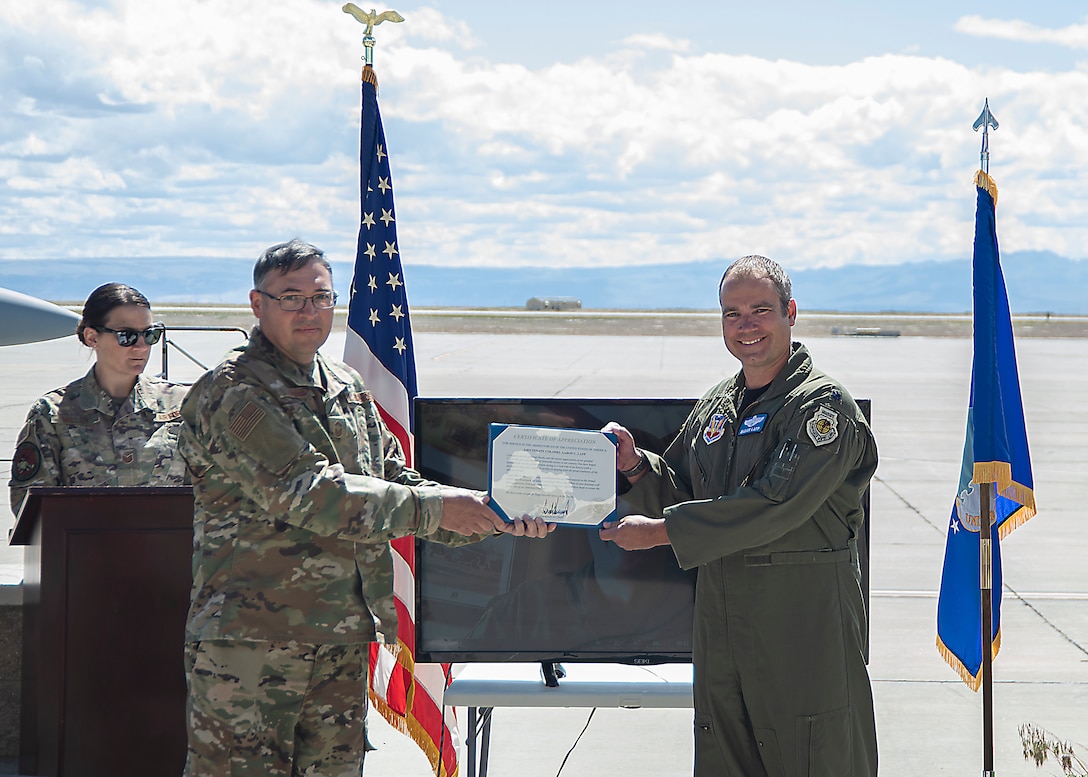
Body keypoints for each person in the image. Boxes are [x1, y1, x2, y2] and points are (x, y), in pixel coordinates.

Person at [177, 239, 551, 777]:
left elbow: (396, 482)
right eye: (291, 297)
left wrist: (498, 514)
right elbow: (312, 494)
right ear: (257, 305)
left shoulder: (346, 386)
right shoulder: (232, 393)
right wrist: (440, 508)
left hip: (340, 636)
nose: (309, 311)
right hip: (253, 645)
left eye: (321, 297)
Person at [600, 255, 878, 777]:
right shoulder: (719, 405)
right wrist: (636, 465)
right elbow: (684, 487)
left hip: (801, 629)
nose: (746, 326)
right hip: (723, 629)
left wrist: (661, 534)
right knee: (725, 759)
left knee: (815, 753)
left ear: (791, 312)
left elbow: (774, 505)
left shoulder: (822, 408)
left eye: (760, 310)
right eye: (732, 314)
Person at [8, 283, 187, 517]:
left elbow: (211, 490)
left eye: (150, 334)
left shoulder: (180, 406)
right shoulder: (53, 413)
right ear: (92, 337)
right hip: (85, 549)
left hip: (165, 549)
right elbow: (29, 505)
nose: (142, 346)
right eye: (128, 336)